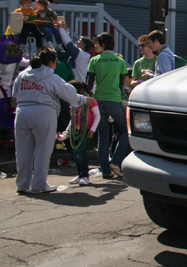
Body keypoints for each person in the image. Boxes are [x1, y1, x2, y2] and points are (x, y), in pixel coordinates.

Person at [12, 47, 90, 194]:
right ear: (50, 63)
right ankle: (39, 184)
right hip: (44, 113)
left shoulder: (22, 75)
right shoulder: (52, 77)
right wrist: (84, 99)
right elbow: (70, 96)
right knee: (43, 150)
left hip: (22, 113)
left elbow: (13, 98)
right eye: (55, 62)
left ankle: (22, 184)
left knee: (22, 151)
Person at [86, 32, 129, 178]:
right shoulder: (120, 61)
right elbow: (120, 84)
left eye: (97, 43)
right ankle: (116, 161)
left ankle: (105, 171)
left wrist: (88, 98)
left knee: (102, 137)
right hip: (114, 100)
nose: (95, 46)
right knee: (127, 131)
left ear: (103, 45)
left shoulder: (94, 60)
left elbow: (89, 82)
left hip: (98, 100)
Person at [59, 80, 100, 186]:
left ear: (80, 90)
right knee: (76, 153)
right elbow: (72, 118)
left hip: (85, 131)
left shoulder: (90, 101)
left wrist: (92, 130)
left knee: (81, 153)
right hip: (75, 130)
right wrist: (67, 131)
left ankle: (84, 176)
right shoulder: (73, 102)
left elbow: (97, 116)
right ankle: (79, 174)